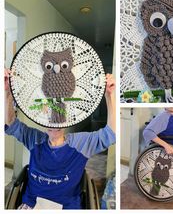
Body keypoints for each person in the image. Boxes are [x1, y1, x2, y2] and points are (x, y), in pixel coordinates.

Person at [5, 69, 116, 209]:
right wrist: (7, 92)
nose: (54, 122)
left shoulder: (81, 143)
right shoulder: (35, 139)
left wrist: (110, 95)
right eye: (50, 115)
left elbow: (111, 134)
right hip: (31, 206)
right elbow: (10, 124)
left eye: (59, 115)